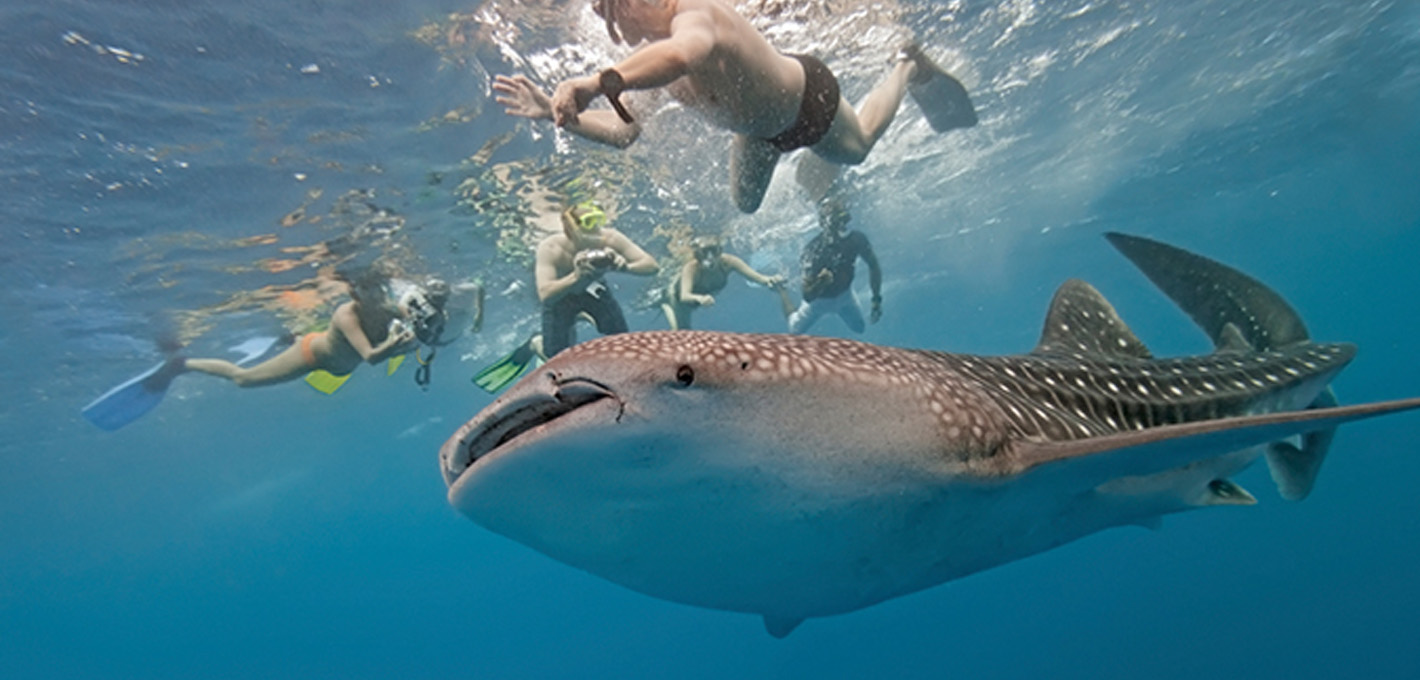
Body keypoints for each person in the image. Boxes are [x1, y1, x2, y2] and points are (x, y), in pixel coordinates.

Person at [492, 0, 977, 214]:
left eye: (618, 7)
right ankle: (808, 160)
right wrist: (563, 117)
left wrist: (594, 82)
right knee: (745, 205)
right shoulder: (645, 62)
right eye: (607, 13)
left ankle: (907, 65)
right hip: (759, 133)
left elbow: (685, 53)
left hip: (808, 99)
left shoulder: (694, 13)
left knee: (861, 146)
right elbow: (624, 132)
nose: (615, 21)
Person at [81, 272, 447, 431]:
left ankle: (287, 333)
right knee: (244, 379)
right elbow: (371, 357)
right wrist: (396, 343)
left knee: (310, 339)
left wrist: (427, 322)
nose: (376, 300)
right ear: (356, 295)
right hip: (312, 356)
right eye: (369, 294)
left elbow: (419, 317)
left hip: (335, 364)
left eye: (380, 293)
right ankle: (181, 364)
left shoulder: (385, 305)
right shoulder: (346, 313)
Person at [473, 200, 659, 393]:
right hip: (560, 297)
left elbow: (652, 266)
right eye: (588, 225)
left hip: (593, 288)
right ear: (571, 230)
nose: (595, 233)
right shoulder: (551, 248)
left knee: (622, 342)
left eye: (598, 222)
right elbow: (546, 294)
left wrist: (624, 267)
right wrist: (576, 277)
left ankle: (584, 316)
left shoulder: (610, 237)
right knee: (558, 361)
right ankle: (536, 344)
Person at [787, 198, 882, 335]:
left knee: (859, 328)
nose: (840, 226)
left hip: (846, 296)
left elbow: (873, 265)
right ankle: (781, 292)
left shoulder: (857, 239)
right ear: (823, 223)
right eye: (835, 221)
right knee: (793, 330)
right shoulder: (813, 250)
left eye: (842, 219)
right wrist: (820, 284)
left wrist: (876, 299)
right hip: (818, 304)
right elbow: (807, 295)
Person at [661, 235, 791, 330]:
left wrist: (772, 279)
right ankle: (666, 305)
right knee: (683, 332)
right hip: (678, 299)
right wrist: (700, 298)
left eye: (714, 251)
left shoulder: (729, 262)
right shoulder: (691, 268)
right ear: (698, 254)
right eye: (705, 252)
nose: (710, 257)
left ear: (720, 250)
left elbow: (758, 278)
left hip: (700, 299)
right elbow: (684, 296)